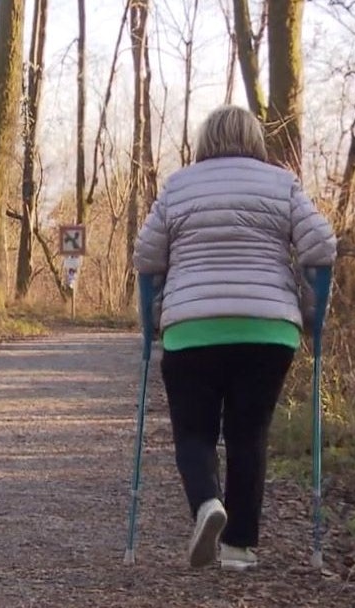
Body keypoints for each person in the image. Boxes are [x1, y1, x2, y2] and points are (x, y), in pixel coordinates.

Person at [132, 105, 337, 571]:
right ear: (255, 140)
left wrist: (152, 321)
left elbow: (147, 258)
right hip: (267, 329)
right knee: (249, 435)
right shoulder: (281, 183)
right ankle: (239, 549)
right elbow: (321, 246)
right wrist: (309, 313)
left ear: (205, 141)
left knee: (193, 431)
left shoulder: (179, 185)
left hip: (191, 328)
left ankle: (207, 503)